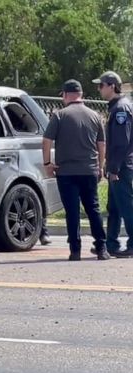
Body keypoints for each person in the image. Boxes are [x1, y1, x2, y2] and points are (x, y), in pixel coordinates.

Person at [42, 79, 110, 261]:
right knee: (93, 209)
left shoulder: (59, 115)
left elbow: (46, 140)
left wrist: (48, 163)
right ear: (81, 95)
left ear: (65, 95)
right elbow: (101, 144)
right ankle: (102, 247)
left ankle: (75, 250)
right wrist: (100, 167)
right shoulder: (95, 116)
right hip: (89, 170)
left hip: (66, 172)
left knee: (72, 211)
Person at [92, 71, 133, 257]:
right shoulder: (117, 107)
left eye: (101, 85)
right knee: (114, 207)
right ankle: (111, 243)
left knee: (126, 206)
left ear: (111, 86)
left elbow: (121, 142)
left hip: (121, 166)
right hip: (117, 165)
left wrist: (114, 168)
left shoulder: (120, 109)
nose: (99, 89)